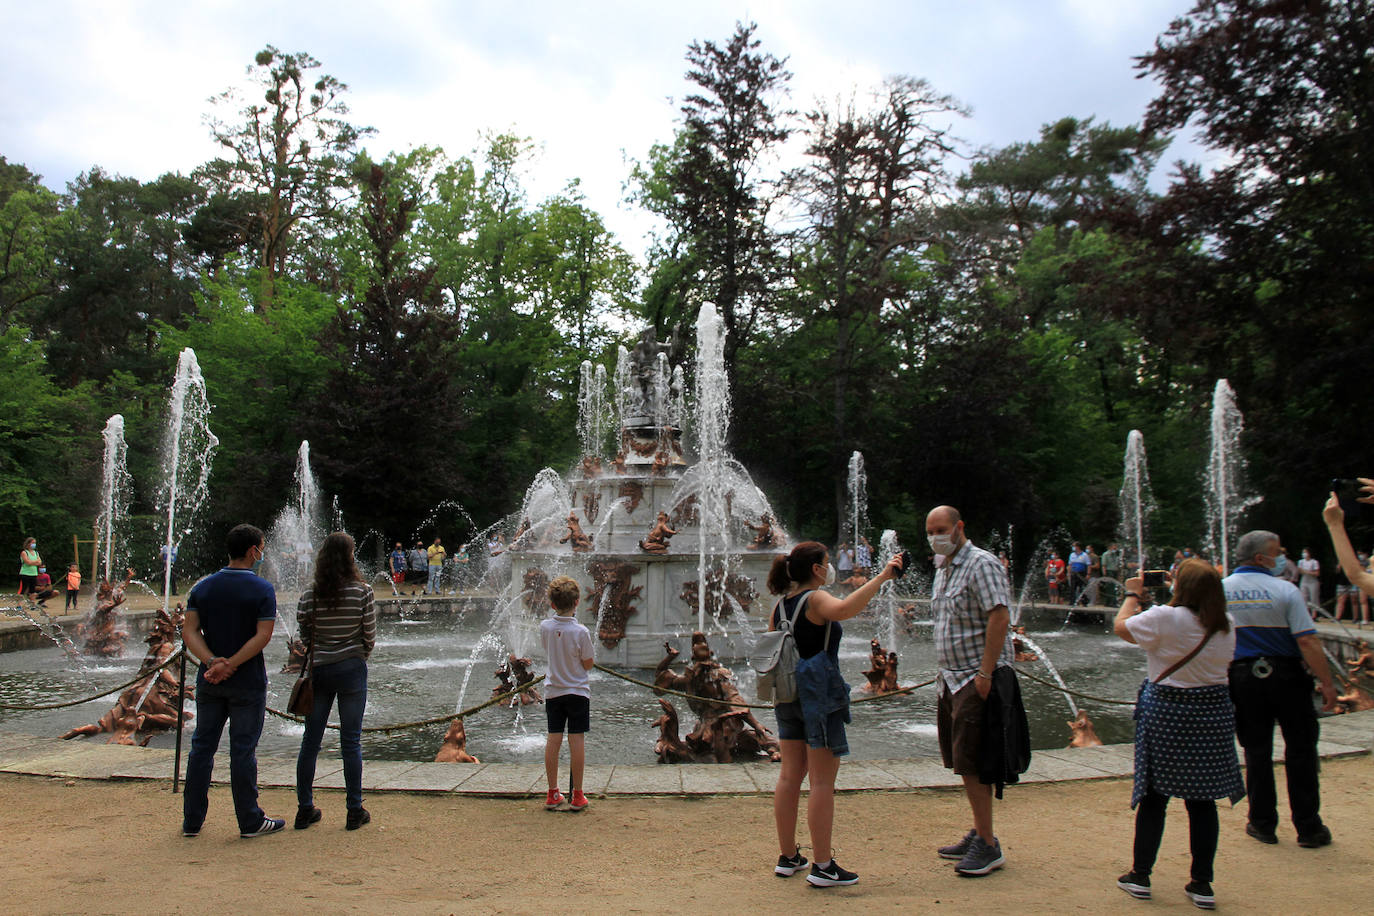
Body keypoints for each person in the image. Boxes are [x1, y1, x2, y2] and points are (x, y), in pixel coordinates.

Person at [767, 540, 904, 888]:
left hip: (786, 695)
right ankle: (823, 865)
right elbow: (844, 609)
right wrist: (884, 576)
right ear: (816, 569)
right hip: (818, 695)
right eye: (826, 563)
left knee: (788, 776)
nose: (829, 569)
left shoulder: (780, 606)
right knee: (822, 781)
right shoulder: (815, 598)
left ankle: (788, 857)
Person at [1113, 559, 1243, 909]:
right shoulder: (1226, 623)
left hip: (1168, 713)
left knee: (1155, 796)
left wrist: (1131, 593)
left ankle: (1141, 875)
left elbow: (1121, 627)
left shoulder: (1165, 617)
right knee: (1202, 801)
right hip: (1212, 714)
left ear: (1180, 587)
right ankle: (1202, 883)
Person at [1224, 529, 1338, 849]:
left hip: (1243, 677)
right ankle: (1308, 827)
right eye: (1277, 552)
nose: (1281, 558)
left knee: (1256, 750)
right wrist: (1327, 683)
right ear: (1261, 558)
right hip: (1288, 676)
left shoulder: (1221, 590)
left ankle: (1261, 823)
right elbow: (1307, 639)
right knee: (1300, 749)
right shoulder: (1285, 589)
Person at [181, 524, 285, 839]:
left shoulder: (202, 587)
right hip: (248, 680)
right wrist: (232, 664)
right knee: (242, 750)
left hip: (209, 680)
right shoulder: (262, 589)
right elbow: (262, 636)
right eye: (262, 548)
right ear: (254, 551)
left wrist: (212, 662)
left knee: (201, 747)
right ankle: (250, 820)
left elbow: (189, 632)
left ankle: (192, 821)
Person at [927, 505, 1012, 877]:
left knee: (975, 761)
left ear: (960, 527)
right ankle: (980, 830)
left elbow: (1000, 615)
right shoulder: (943, 566)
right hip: (951, 677)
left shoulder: (981, 564)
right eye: (930, 531)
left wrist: (986, 672)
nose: (935, 537)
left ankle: (989, 845)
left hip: (974, 677)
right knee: (963, 759)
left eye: (942, 529)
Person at [294, 532, 376, 832]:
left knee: (310, 741)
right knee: (351, 741)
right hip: (352, 668)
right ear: (350, 556)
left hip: (320, 670)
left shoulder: (310, 594)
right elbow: (369, 633)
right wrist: (359, 654)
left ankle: (305, 808)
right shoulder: (362, 591)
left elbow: (303, 632)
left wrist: (319, 651)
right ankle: (354, 809)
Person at [540, 575, 594, 813]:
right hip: (578, 692)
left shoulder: (545, 627)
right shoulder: (581, 631)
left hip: (554, 691)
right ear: (577, 602)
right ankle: (578, 794)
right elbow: (589, 663)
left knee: (553, 739)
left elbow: (548, 650)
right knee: (577, 740)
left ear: (552, 603)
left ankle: (552, 792)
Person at [1296, 548, 1321, 614]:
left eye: (1305, 552)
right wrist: (1306, 572)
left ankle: (1314, 614)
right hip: (1304, 581)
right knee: (1304, 597)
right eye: (1303, 552)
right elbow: (1300, 570)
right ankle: (1306, 613)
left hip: (1312, 582)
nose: (1304, 554)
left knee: (1314, 598)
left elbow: (1317, 573)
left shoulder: (1314, 562)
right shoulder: (1301, 562)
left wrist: (1307, 572)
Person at [1067, 542, 1090, 606]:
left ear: (1078, 547)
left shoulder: (1084, 555)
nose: (1073, 547)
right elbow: (1070, 564)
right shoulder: (1072, 555)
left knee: (1081, 588)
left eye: (1074, 546)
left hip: (1081, 573)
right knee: (1072, 588)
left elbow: (1088, 565)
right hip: (1074, 573)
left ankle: (1084, 602)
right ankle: (1072, 601)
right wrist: (1069, 573)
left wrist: (1088, 574)